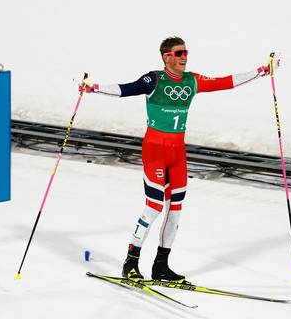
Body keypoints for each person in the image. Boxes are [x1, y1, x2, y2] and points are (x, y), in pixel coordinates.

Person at [80, 37, 280, 281]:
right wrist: (94, 88)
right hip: (154, 150)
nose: (185, 56)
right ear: (166, 57)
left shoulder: (191, 80)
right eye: (179, 53)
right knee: (153, 208)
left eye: (186, 52)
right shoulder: (154, 79)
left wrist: (261, 71)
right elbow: (126, 89)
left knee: (175, 210)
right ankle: (130, 262)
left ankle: (161, 265)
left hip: (177, 153)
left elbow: (225, 82)